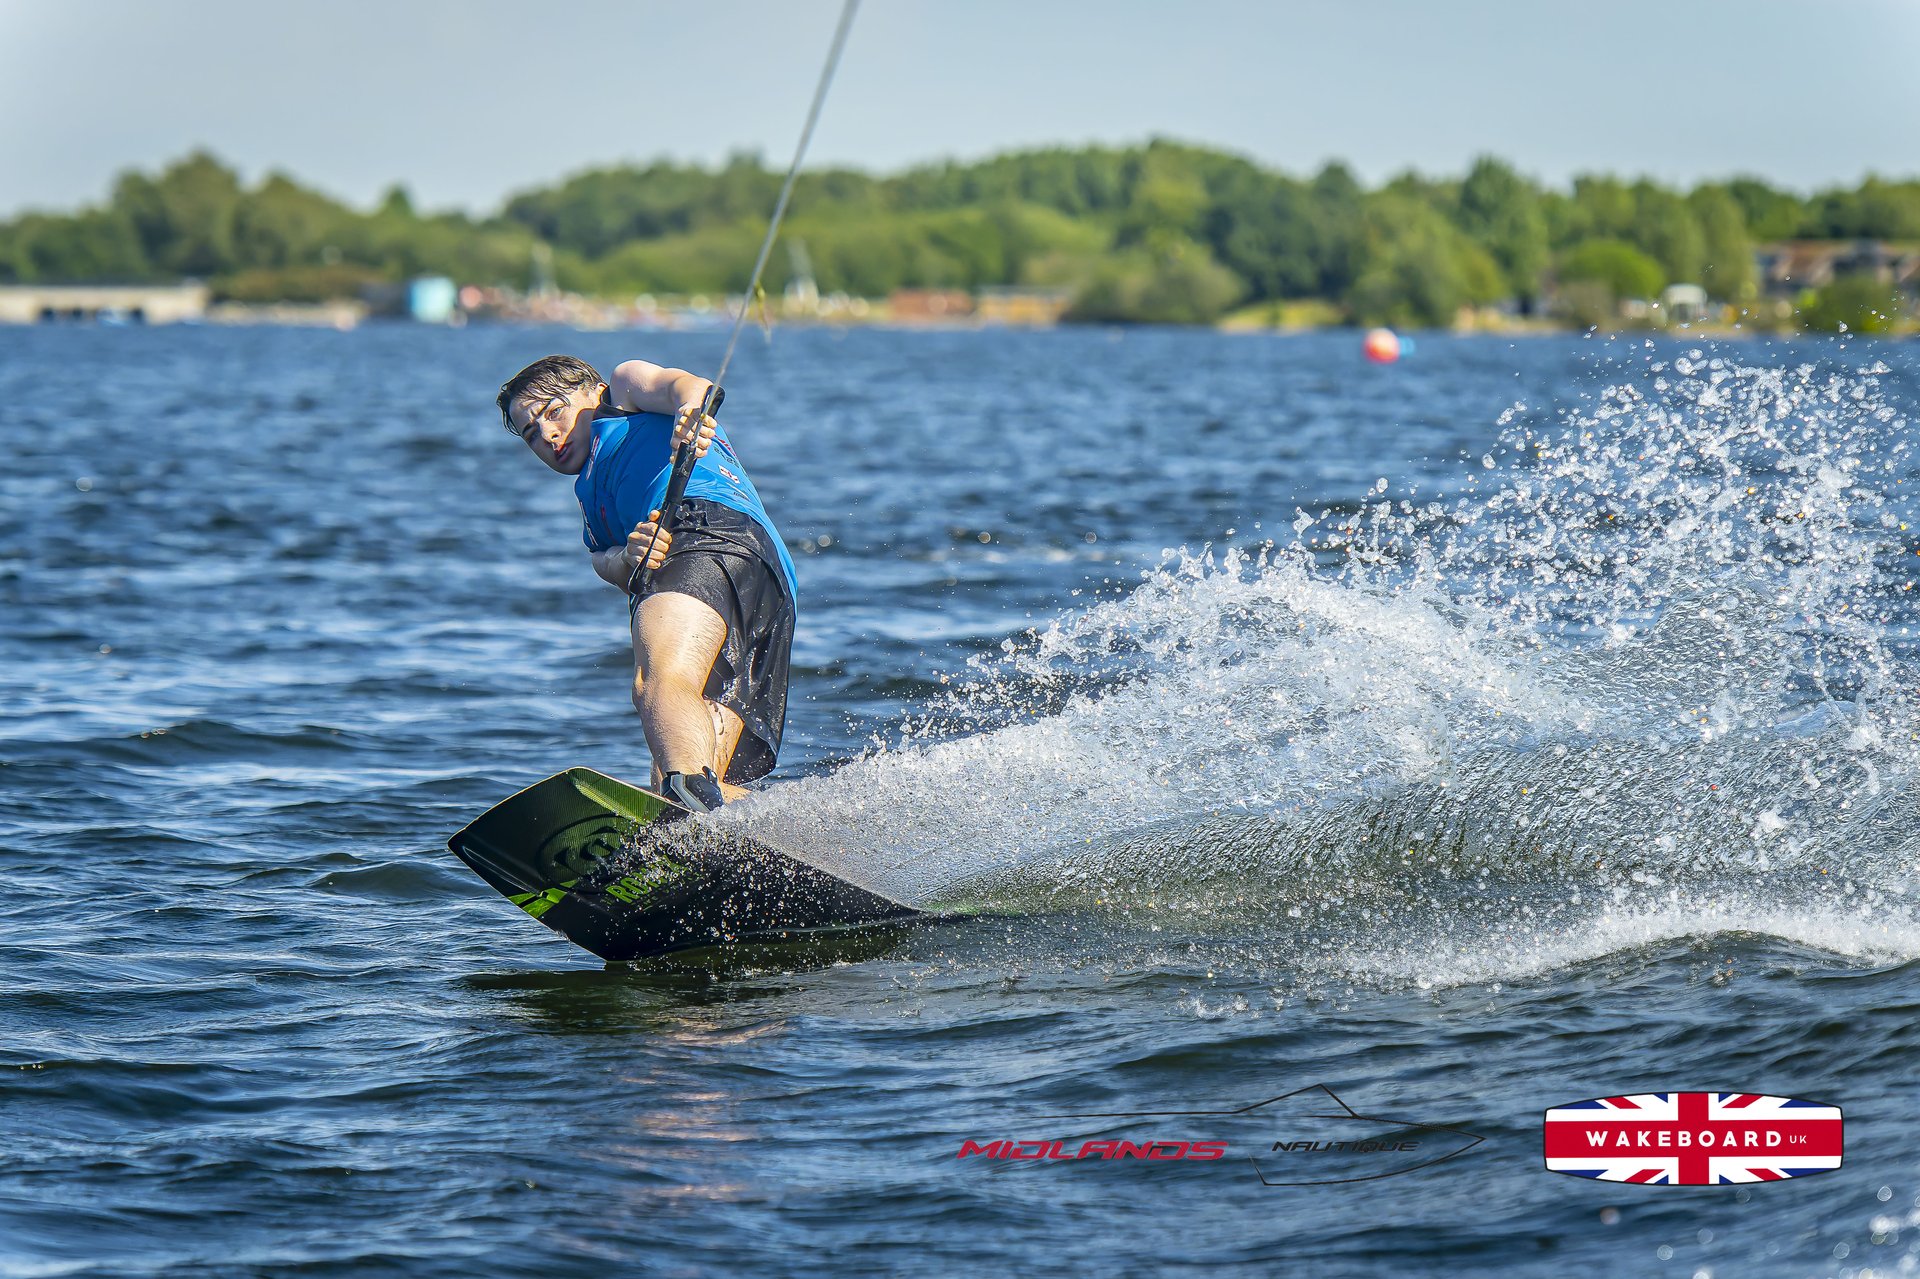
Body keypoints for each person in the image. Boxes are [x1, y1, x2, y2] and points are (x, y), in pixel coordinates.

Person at [495, 355, 799, 813]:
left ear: (591, 391)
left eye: (554, 412)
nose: (548, 436)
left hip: (700, 529)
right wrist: (627, 556)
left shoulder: (622, 391)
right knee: (690, 767)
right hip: (771, 582)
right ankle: (807, 831)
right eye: (531, 434)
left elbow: (686, 385)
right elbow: (604, 562)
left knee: (654, 683)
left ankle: (688, 810)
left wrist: (691, 414)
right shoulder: (590, 499)